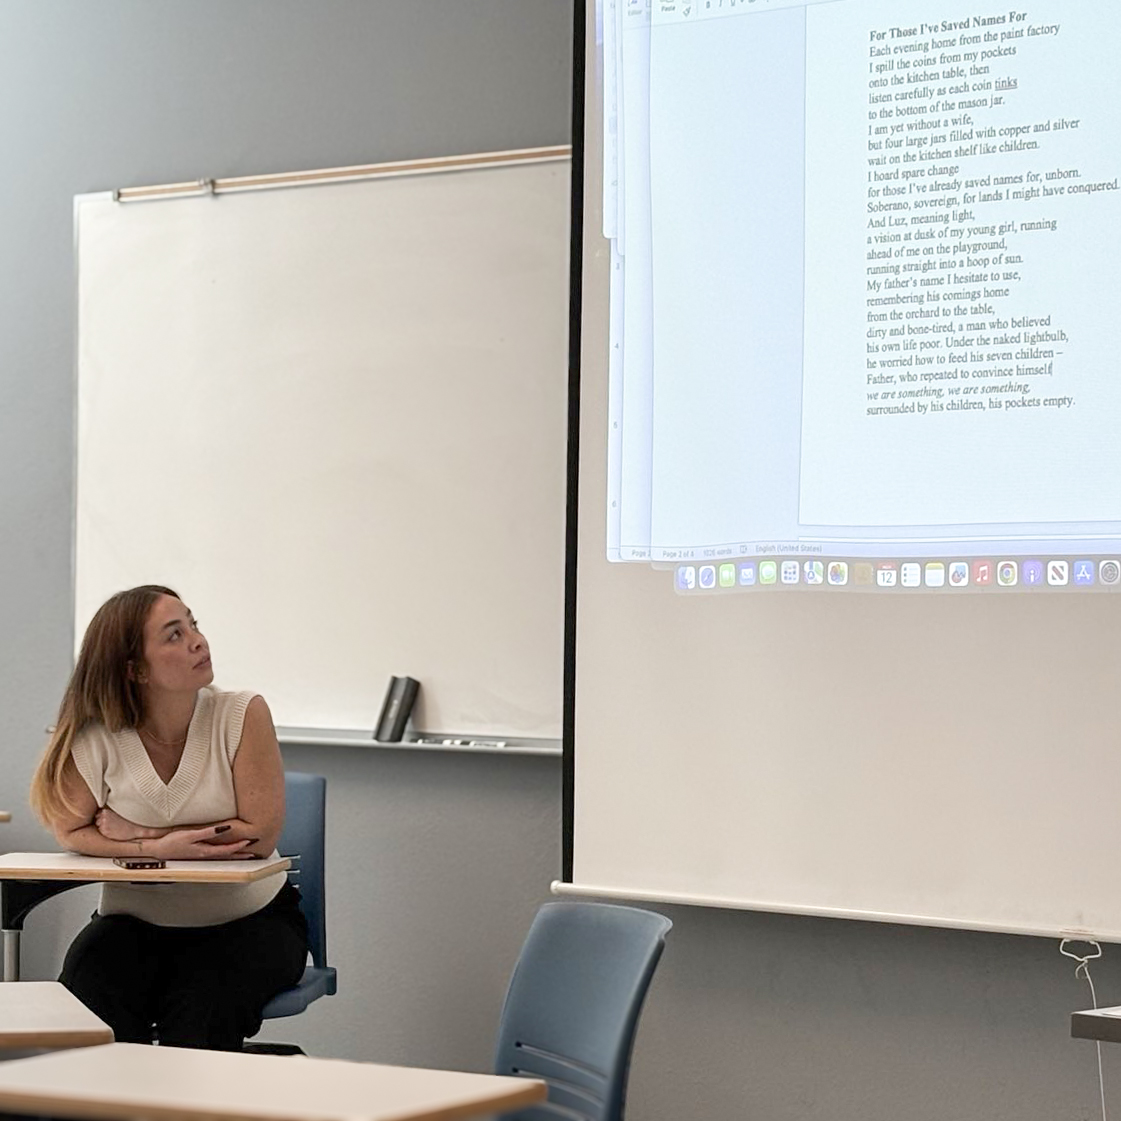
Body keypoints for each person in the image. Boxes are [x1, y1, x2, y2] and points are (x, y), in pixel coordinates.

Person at [30, 585, 308, 1051]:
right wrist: (156, 851)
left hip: (249, 924)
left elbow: (257, 837)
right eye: (174, 635)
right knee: (87, 1010)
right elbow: (69, 829)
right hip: (132, 926)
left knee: (199, 1015)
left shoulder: (240, 713)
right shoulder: (96, 733)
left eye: (194, 625)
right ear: (135, 669)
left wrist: (143, 835)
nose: (198, 641)